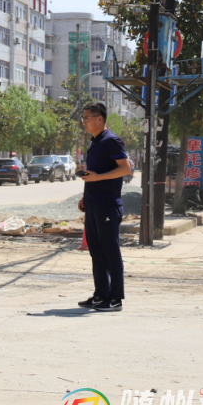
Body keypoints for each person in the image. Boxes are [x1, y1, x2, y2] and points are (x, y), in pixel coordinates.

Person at [77, 101, 132, 312]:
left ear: (99, 118)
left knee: (110, 251)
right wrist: (86, 195)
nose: (84, 122)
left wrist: (97, 178)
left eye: (87, 118)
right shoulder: (95, 142)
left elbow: (125, 169)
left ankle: (115, 298)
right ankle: (101, 294)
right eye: (83, 118)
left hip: (107, 204)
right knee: (96, 251)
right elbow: (94, 173)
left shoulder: (111, 140)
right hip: (93, 203)